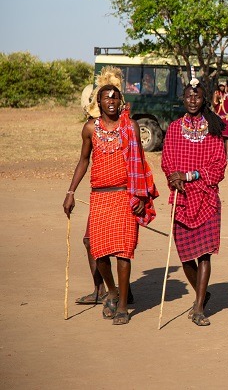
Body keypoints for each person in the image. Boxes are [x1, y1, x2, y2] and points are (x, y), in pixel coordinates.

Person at [63, 66, 158, 325]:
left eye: (115, 96)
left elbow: (139, 163)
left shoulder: (131, 127)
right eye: (106, 97)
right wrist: (71, 192)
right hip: (100, 197)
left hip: (125, 195)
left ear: (121, 101)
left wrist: (140, 196)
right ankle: (112, 291)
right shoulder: (90, 129)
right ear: (99, 102)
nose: (111, 101)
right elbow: (83, 161)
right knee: (97, 249)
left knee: (123, 253)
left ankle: (123, 307)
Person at [161, 78, 227, 326]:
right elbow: (167, 160)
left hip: (207, 197)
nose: (192, 100)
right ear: (183, 98)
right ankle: (202, 292)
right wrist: (173, 178)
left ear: (204, 99)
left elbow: (219, 166)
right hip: (181, 198)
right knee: (186, 255)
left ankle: (199, 307)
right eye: (189, 96)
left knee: (205, 254)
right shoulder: (175, 128)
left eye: (197, 96)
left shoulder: (213, 128)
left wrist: (190, 176)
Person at [213, 82, 228, 163]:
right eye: (220, 86)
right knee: (219, 137)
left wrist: (227, 94)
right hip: (219, 117)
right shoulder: (216, 93)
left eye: (223, 86)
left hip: (227, 117)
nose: (222, 87)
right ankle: (219, 155)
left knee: (227, 137)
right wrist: (218, 99)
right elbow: (214, 103)